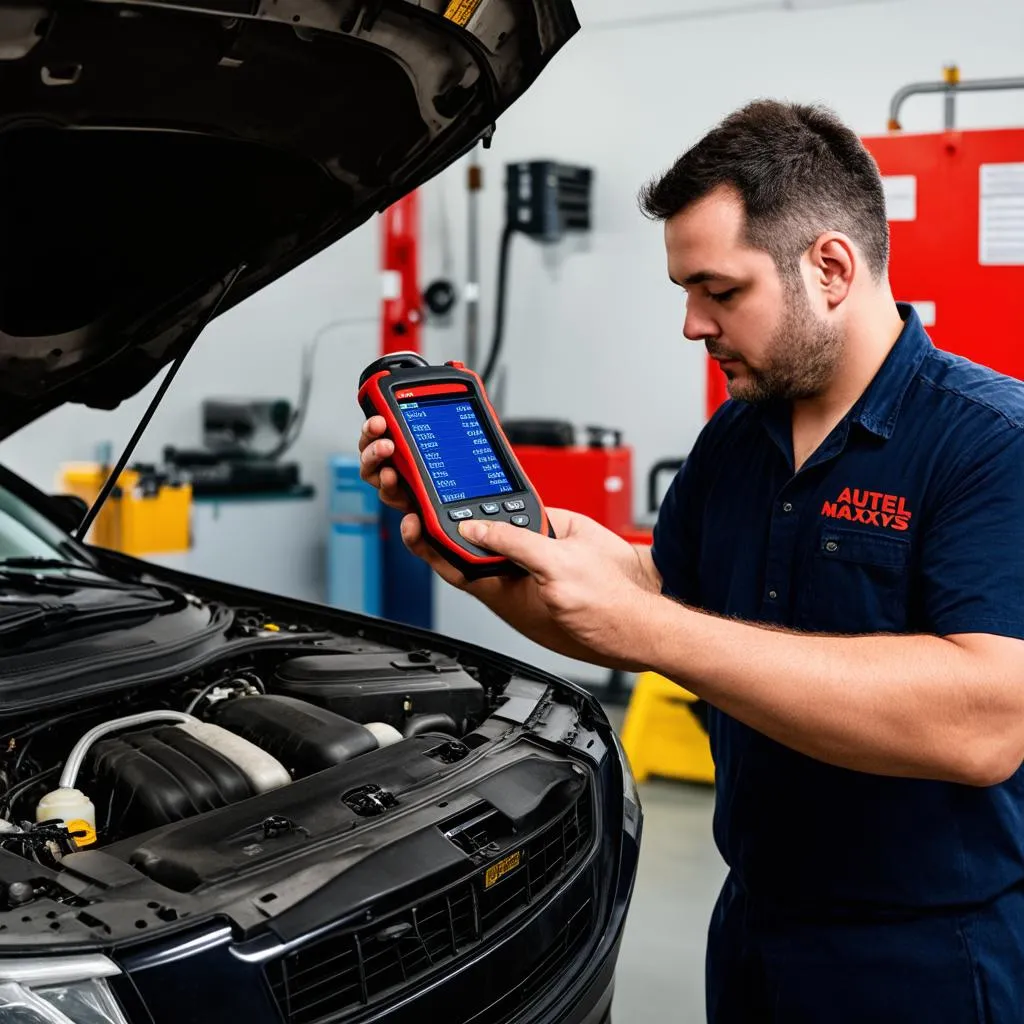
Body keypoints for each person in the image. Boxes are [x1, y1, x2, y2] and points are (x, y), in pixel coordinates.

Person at [359, 100, 1024, 1022]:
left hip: (927, 957)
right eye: (685, 293)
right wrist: (483, 558)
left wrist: (649, 617)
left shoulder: (990, 443)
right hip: (755, 925)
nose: (692, 325)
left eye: (719, 291)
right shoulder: (738, 437)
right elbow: (662, 604)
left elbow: (987, 720)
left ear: (829, 267)